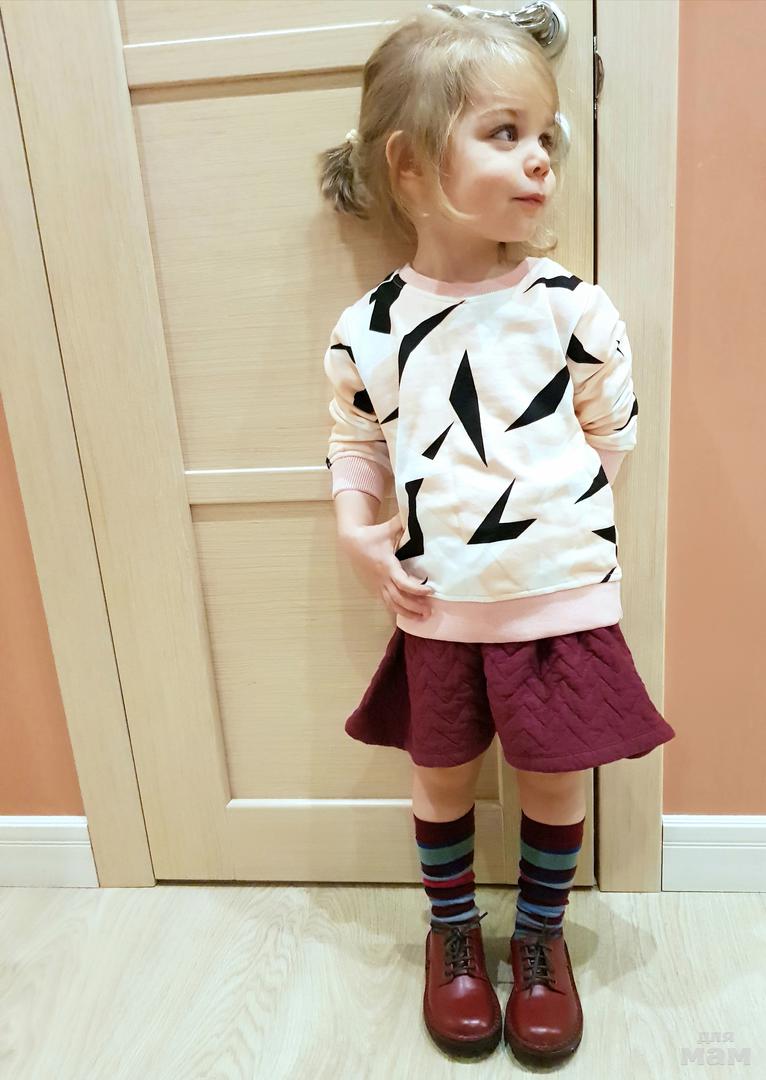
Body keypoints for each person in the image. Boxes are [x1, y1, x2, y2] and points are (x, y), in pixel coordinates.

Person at [316, 3, 676, 1065]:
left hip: (560, 599)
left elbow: (612, 433)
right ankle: (453, 935)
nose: (540, 159)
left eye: (545, 135)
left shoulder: (572, 308)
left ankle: (540, 939)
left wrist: (547, 526)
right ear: (410, 163)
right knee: (440, 774)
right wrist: (354, 529)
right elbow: (355, 440)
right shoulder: (371, 327)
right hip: (437, 603)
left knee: (557, 778)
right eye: (504, 133)